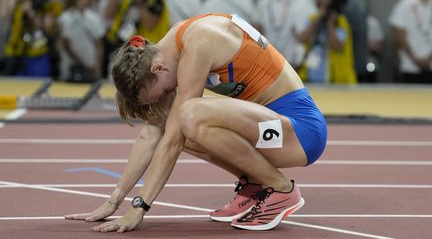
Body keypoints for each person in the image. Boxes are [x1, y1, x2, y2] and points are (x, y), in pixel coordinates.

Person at [64, 13, 327, 232]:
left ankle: (281, 190)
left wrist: (139, 208)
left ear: (157, 70)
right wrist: (113, 201)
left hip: (300, 132)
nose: (166, 95)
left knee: (188, 116)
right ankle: (255, 186)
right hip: (270, 127)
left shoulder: (198, 42)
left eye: (161, 93)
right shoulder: (171, 51)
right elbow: (152, 133)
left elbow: (173, 140)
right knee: (176, 121)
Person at [297, 0, 357, 84]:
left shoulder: (340, 21)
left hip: (336, 80)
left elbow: (336, 45)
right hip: (310, 77)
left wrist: (330, 24)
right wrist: (318, 19)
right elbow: (302, 39)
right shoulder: (313, 19)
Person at [389, 0, 432, 84]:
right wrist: (413, 58)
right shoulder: (405, 3)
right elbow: (399, 33)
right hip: (409, 64)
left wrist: (429, 58)